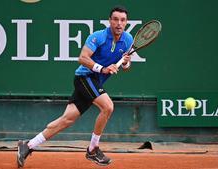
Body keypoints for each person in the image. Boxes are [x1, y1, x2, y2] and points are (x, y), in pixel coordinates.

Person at [17, 5, 133, 168]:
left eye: (122, 20)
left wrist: (126, 63)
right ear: (109, 21)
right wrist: (103, 69)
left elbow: (126, 66)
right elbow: (82, 58)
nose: (119, 23)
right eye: (115, 19)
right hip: (85, 77)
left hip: (95, 82)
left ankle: (27, 146)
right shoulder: (98, 37)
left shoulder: (128, 40)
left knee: (66, 120)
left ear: (126, 22)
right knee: (108, 107)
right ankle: (93, 149)